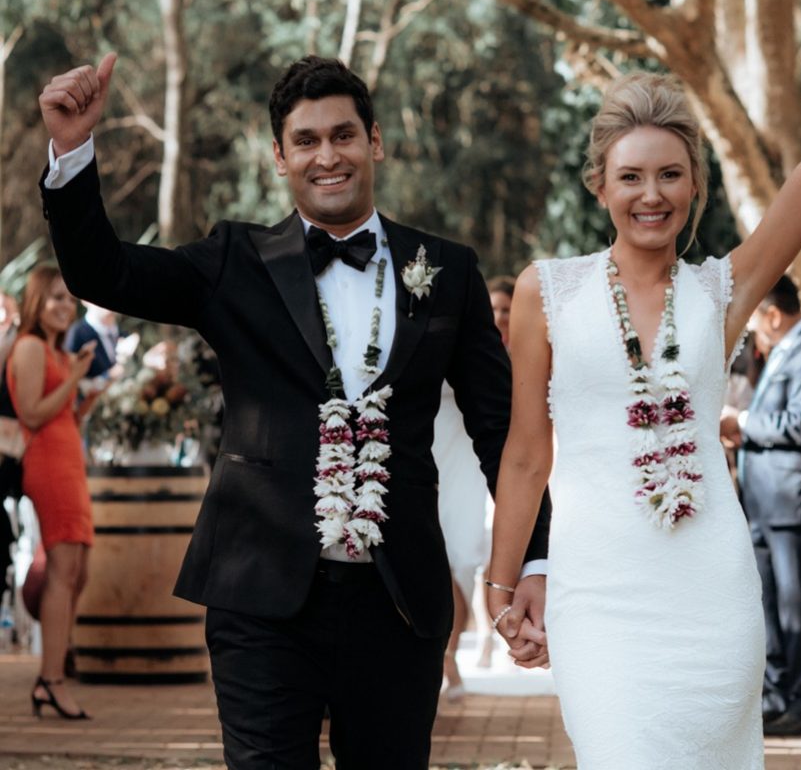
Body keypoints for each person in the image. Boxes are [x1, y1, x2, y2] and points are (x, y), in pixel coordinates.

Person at [36, 53, 550, 770]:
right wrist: (71, 151)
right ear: (280, 157)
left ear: (375, 140)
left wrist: (535, 560)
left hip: (398, 602)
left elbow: (501, 431)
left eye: (342, 135)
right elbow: (106, 272)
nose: (326, 155)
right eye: (305, 141)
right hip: (259, 597)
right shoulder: (232, 260)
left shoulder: (450, 270)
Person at [486, 0, 801, 767]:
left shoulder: (719, 293)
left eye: (670, 174)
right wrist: (505, 583)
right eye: (631, 176)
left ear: (696, 184)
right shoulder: (545, 292)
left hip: (711, 590)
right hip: (598, 595)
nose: (651, 195)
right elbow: (528, 454)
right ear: (600, 186)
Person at [727, 276, 801, 736]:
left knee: (798, 609)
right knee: (769, 605)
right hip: (763, 504)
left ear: (773, 314)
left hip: (797, 506)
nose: (754, 329)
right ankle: (776, 696)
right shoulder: (782, 353)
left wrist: (742, 421)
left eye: (756, 319)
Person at [5, 266, 96, 720]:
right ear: (38, 301)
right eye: (57, 298)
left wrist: (86, 394)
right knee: (63, 571)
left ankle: (55, 669)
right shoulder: (29, 346)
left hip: (70, 460)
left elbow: (64, 416)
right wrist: (75, 375)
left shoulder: (56, 352)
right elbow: (34, 415)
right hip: (48, 464)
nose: (67, 306)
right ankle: (50, 680)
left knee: (79, 571)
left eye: (70, 299)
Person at [432, 274, 518, 700]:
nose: (499, 316)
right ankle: (445, 661)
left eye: (506, 309)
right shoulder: (451, 340)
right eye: (493, 308)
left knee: (462, 563)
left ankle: (460, 652)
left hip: (482, 467)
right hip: (436, 456)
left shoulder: (524, 353)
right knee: (440, 561)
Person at [66, 302, 121, 381]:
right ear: (85, 301)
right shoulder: (76, 333)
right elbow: (70, 377)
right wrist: (107, 376)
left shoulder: (113, 327)